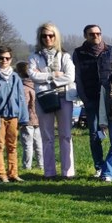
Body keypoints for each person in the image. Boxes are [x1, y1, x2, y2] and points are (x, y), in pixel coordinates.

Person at [27, 22, 77, 179]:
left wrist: (47, 79)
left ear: (56, 37)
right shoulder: (34, 56)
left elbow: (70, 77)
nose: (48, 38)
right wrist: (53, 75)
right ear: (40, 37)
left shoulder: (65, 56)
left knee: (65, 135)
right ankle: (49, 172)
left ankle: (68, 172)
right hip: (44, 98)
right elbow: (32, 75)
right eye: (44, 36)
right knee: (47, 136)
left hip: (64, 97)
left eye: (51, 35)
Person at [71, 23, 112, 175]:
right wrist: (84, 98)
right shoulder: (79, 53)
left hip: (110, 99)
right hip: (90, 98)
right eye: (92, 34)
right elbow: (77, 77)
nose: (96, 36)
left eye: (98, 33)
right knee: (94, 134)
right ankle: (99, 166)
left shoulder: (111, 51)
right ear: (85, 36)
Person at [0, 45, 27, 183]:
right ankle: (1, 174)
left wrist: (23, 116)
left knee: (12, 146)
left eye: (7, 58)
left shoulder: (15, 77)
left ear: (11, 59)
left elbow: (21, 98)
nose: (4, 61)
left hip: (13, 116)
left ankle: (13, 173)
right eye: (1, 58)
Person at [14, 60, 41, 174]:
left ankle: (27, 166)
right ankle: (41, 165)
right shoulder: (37, 85)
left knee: (27, 145)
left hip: (28, 120)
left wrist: (19, 119)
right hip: (39, 119)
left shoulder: (24, 87)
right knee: (39, 144)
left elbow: (23, 105)